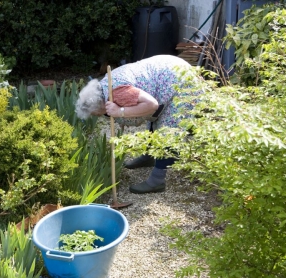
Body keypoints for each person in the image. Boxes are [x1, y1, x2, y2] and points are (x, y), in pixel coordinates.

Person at [75, 54, 197, 194]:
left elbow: (152, 105)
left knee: (168, 131)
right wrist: (121, 114)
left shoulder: (118, 92)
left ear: (98, 105)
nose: (100, 116)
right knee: (154, 121)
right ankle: (149, 156)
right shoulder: (103, 87)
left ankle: (157, 181)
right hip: (167, 74)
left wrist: (120, 111)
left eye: (96, 113)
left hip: (180, 83)